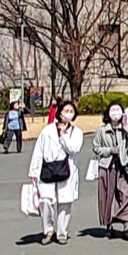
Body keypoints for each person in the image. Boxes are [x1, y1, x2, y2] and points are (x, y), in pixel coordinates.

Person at [27, 100, 82, 245]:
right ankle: (48, 230)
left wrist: (63, 135)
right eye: (66, 110)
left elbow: (74, 148)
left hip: (66, 169)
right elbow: (38, 150)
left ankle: (62, 232)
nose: (68, 114)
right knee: (45, 200)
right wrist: (33, 171)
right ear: (59, 112)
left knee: (65, 202)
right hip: (48, 168)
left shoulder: (77, 132)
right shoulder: (47, 130)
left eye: (71, 111)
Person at [93, 104, 128, 240]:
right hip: (107, 166)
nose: (116, 113)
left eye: (119, 110)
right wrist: (109, 150)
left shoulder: (124, 129)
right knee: (107, 197)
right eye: (113, 110)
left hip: (123, 166)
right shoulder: (102, 131)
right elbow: (96, 148)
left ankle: (126, 226)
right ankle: (109, 225)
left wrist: (126, 126)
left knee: (125, 194)